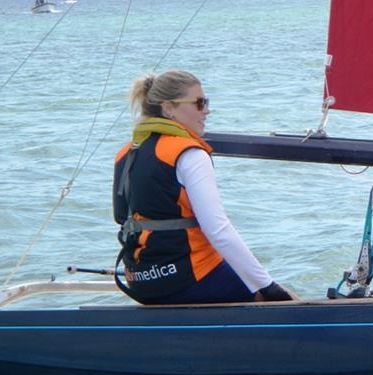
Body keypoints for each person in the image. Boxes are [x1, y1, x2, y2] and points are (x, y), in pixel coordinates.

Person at [113, 69, 295, 305]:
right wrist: (268, 287)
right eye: (200, 103)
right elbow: (218, 230)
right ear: (168, 108)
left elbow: (120, 216)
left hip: (140, 280)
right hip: (188, 277)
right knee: (286, 300)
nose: (206, 110)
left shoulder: (125, 154)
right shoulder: (189, 154)